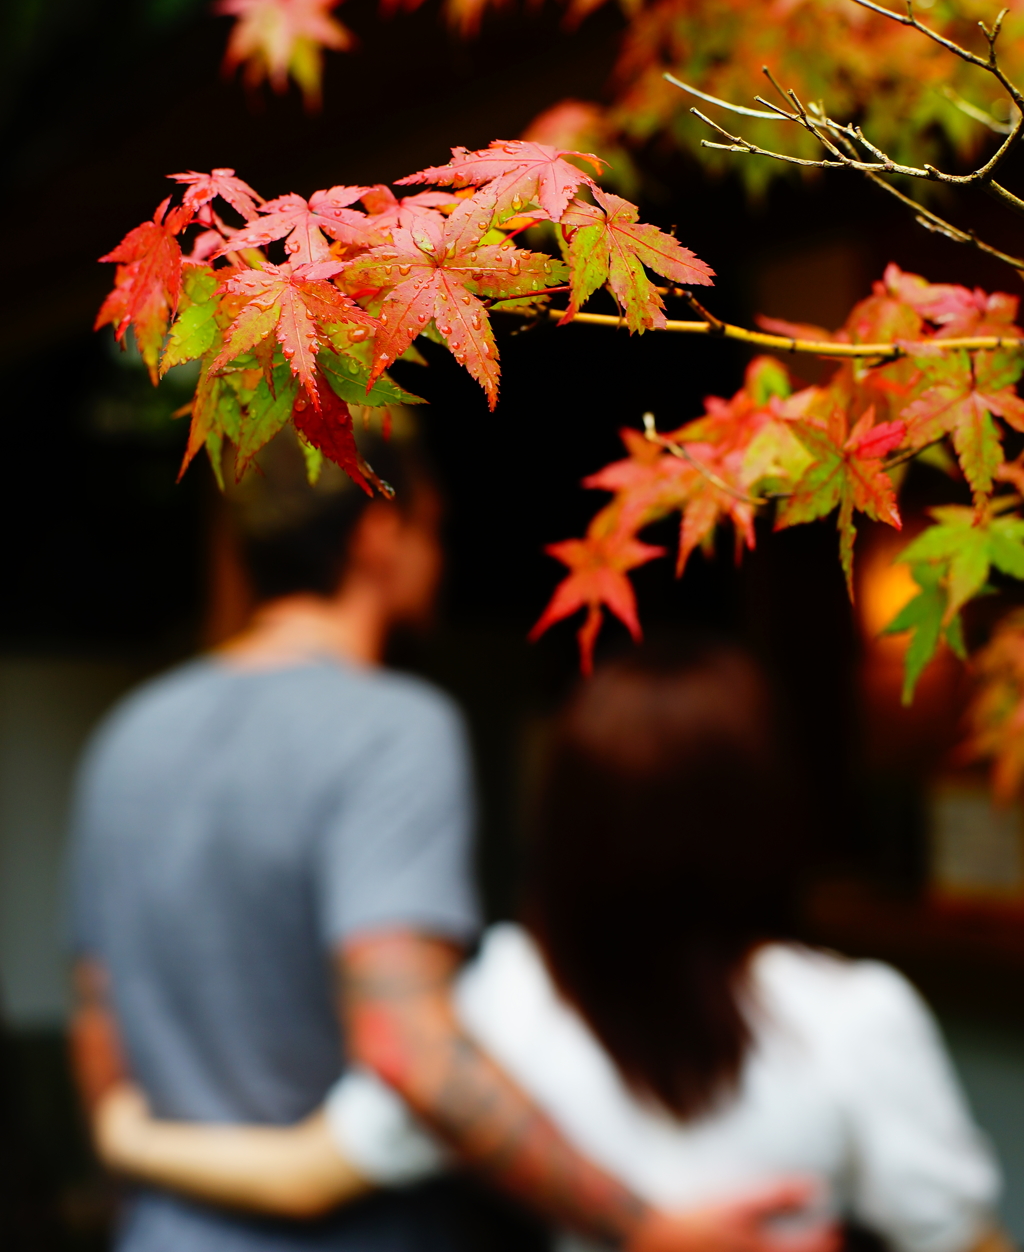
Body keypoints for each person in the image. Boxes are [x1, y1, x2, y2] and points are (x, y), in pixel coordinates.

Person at [68, 430, 827, 1252]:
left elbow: (99, 1026)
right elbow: (409, 1048)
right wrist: (642, 1228)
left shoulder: (129, 736)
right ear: (377, 537)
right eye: (433, 528)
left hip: (164, 1230)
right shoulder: (392, 729)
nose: (439, 558)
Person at [87, 644, 1008, 1252]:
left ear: (566, 823)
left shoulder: (508, 1002)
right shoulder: (852, 1019)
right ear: (771, 816)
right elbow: (962, 1237)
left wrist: (129, 1133)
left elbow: (304, 1177)